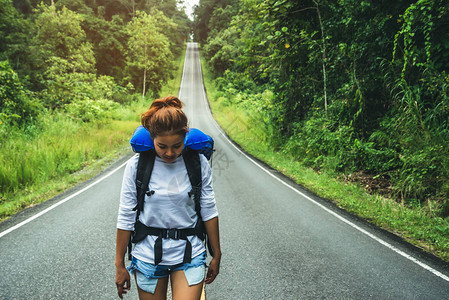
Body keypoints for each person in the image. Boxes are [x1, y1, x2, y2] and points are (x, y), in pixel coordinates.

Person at [115, 96, 221, 300]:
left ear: (185, 138)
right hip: (147, 256)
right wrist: (119, 264)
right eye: (162, 146)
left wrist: (217, 254)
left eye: (177, 146)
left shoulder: (198, 163)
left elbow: (209, 209)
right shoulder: (137, 167)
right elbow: (126, 215)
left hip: (190, 253)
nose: (170, 153)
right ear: (152, 138)